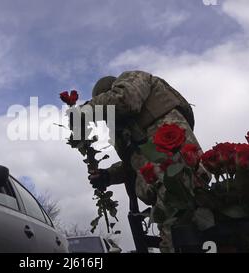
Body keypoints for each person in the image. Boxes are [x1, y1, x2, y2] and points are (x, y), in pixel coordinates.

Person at [85, 70, 209, 252]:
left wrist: (85, 111)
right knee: (178, 237)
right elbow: (134, 164)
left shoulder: (133, 80)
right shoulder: (125, 128)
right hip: (162, 191)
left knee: (178, 239)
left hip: (177, 176)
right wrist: (108, 175)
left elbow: (124, 100)